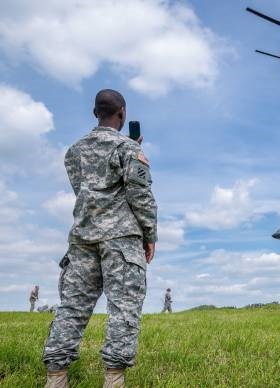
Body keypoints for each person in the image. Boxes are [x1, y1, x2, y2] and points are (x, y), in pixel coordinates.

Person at [42, 89, 158, 388]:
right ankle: (114, 380)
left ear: (96, 113)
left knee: (72, 307)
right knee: (123, 309)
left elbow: (83, 189)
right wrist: (150, 235)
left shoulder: (74, 151)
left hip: (82, 238)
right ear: (122, 113)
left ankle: (56, 378)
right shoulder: (129, 149)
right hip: (121, 239)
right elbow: (140, 195)